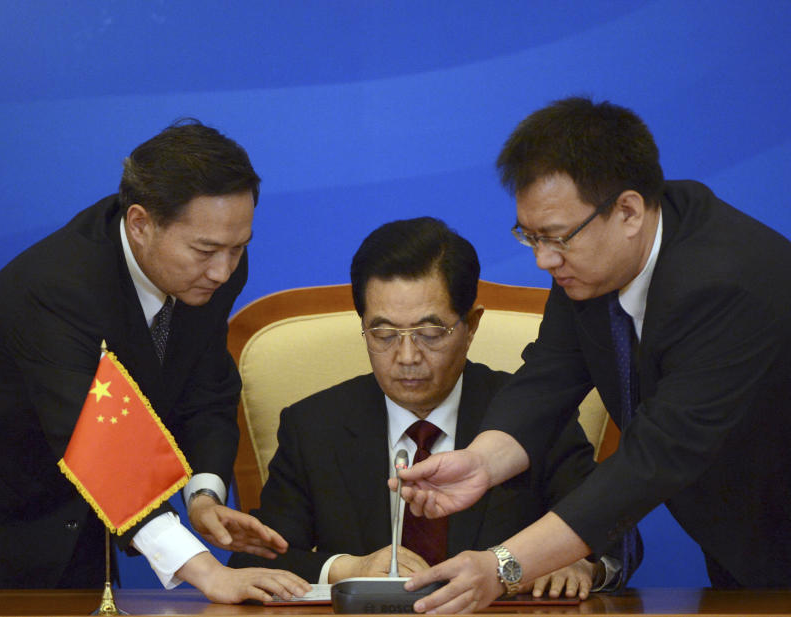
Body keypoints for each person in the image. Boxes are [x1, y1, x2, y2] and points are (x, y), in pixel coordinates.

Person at [396, 97, 791, 613]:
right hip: (745, 544)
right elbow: (549, 376)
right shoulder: (594, 262)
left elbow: (656, 456)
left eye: (556, 238)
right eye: (530, 237)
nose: (543, 259)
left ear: (627, 210)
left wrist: (502, 567)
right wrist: (480, 463)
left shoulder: (728, 283)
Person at [0, 120, 310, 603]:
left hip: (79, 519)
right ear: (140, 224)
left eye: (238, 247)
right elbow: (96, 439)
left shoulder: (215, 269)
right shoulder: (57, 287)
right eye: (206, 250)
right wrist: (209, 572)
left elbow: (206, 385)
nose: (224, 270)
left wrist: (204, 496)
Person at [228, 216, 634, 598]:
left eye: (429, 333)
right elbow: (253, 559)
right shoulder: (314, 425)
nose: (406, 356)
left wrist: (583, 567)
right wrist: (344, 568)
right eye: (384, 333)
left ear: (471, 325)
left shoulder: (533, 415)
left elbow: (613, 538)